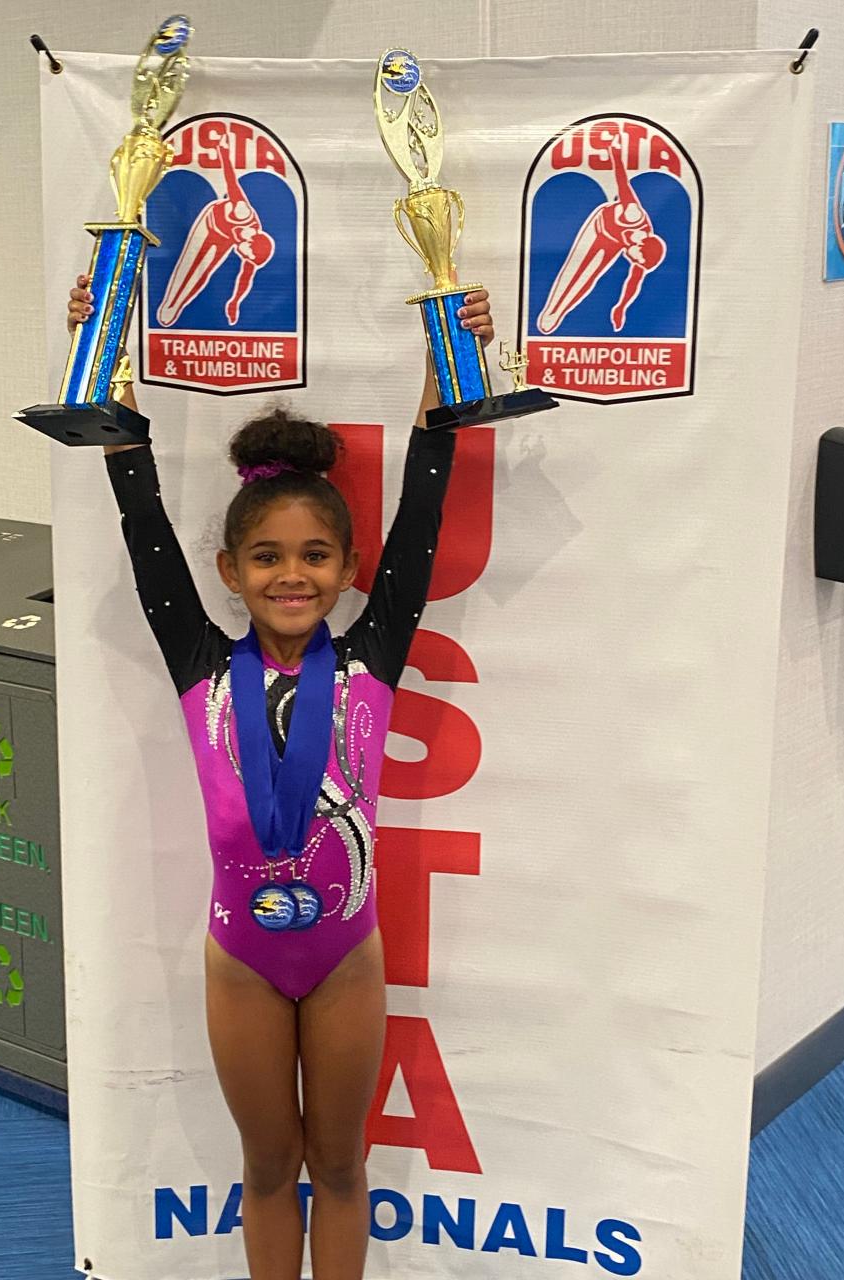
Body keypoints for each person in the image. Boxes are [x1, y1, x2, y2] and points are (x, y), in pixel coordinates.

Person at [67, 273, 495, 1280]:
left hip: (346, 957)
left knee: (341, 1165)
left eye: (313, 556)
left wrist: (451, 358)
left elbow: (424, 507)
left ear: (351, 570)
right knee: (268, 1167)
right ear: (227, 570)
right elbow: (144, 533)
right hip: (241, 962)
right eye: (264, 556)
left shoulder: (374, 656)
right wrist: (104, 350)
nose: (290, 574)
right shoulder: (199, 663)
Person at [536, 125, 666, 335]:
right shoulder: (633, 214)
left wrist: (620, 308)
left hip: (614, 241)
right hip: (600, 227)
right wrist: (614, 152)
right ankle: (552, 308)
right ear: (641, 245)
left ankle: (558, 313)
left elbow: (634, 281)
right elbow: (622, 182)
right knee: (573, 270)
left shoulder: (642, 255)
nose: (633, 262)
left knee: (589, 276)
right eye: (636, 259)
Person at [157, 133, 276, 327]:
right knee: (189, 263)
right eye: (247, 255)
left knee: (203, 272)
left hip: (225, 237)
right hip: (211, 222)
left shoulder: (251, 251)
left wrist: (234, 302)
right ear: (251, 243)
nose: (244, 258)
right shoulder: (242, 212)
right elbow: (232, 182)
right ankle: (170, 301)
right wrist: (223, 151)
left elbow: (245, 277)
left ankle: (176, 307)